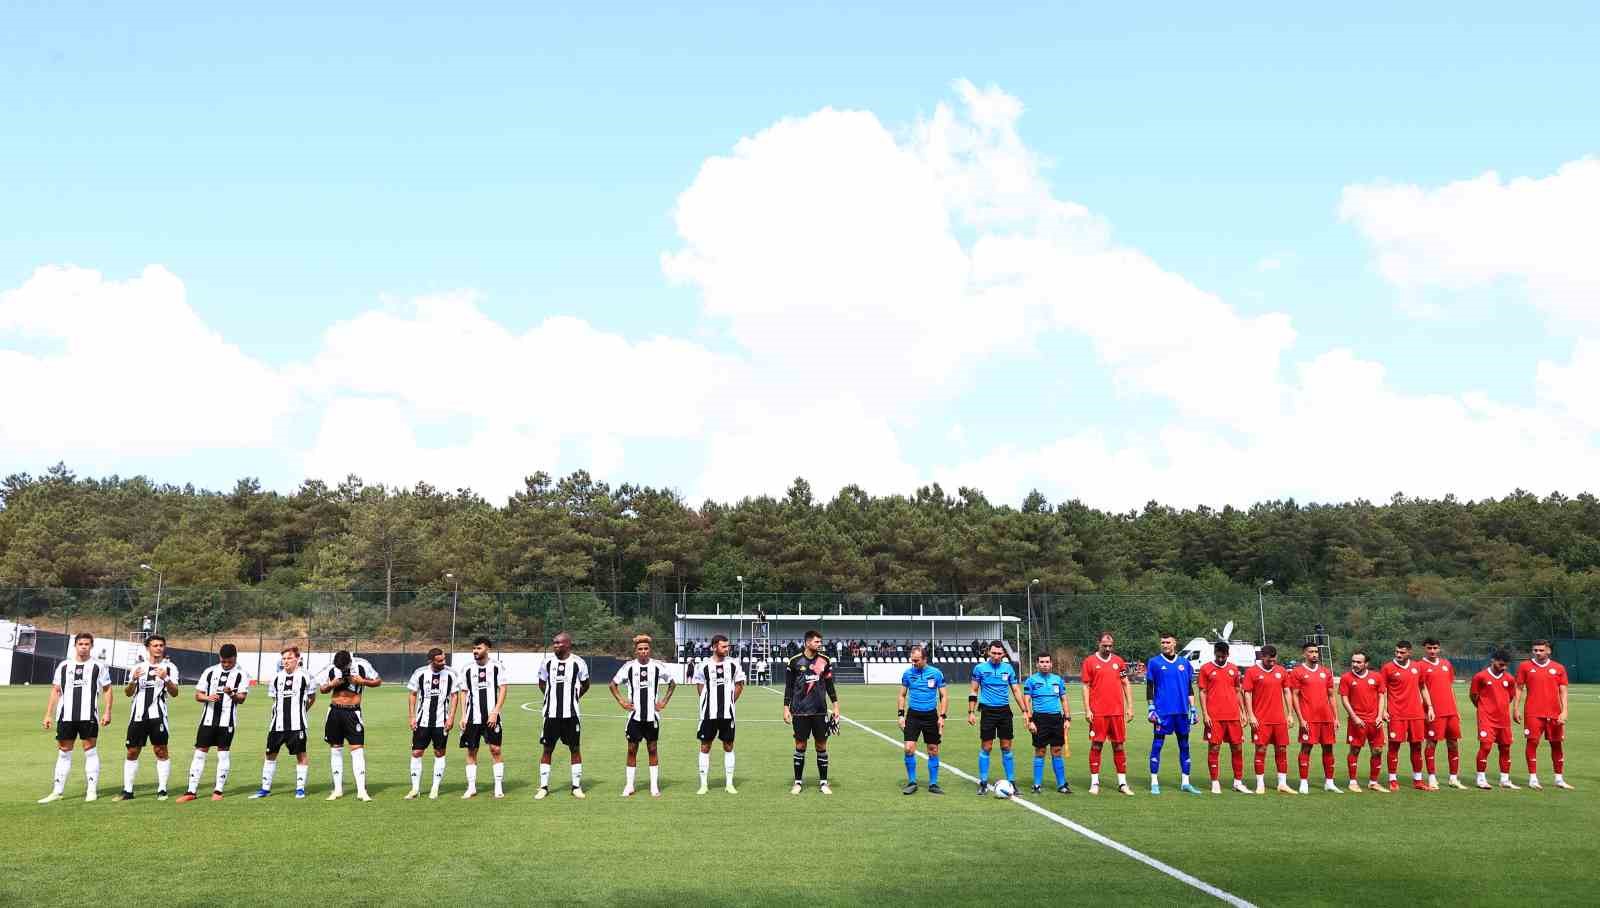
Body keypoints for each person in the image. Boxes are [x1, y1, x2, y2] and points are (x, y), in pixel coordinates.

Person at [39, 632, 114, 803]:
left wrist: (108, 711)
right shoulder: (64, 666)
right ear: (75, 646)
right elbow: (56, 690)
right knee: (64, 753)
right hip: (66, 716)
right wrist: (48, 714)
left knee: (90, 751)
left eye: (87, 644)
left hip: (88, 716)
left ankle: (92, 790)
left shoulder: (98, 666)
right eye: (81, 644)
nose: (84, 647)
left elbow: (107, 689)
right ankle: (57, 791)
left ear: (91, 646)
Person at [177, 644, 250, 803]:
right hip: (207, 720)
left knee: (223, 753)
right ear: (220, 658)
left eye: (229, 662)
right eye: (223, 662)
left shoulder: (241, 674)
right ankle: (191, 791)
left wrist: (231, 693)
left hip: (227, 721)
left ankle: (218, 790)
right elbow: (198, 695)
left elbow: (242, 699)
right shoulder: (210, 671)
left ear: (235, 658)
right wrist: (207, 697)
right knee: (199, 753)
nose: (226, 665)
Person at [610, 634, 676, 798]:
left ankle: (654, 786)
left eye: (646, 649)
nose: (643, 651)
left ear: (650, 650)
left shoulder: (658, 666)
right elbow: (613, 685)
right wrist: (622, 701)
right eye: (640, 649)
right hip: (635, 717)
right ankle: (630, 785)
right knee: (632, 749)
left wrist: (664, 701)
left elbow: (672, 683)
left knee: (652, 749)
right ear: (636, 651)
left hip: (652, 717)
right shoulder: (628, 667)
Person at [116, 633, 179, 801]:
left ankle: (162, 789)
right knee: (132, 751)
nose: (158, 648)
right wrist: (133, 681)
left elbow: (175, 693)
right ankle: (128, 791)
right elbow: (128, 693)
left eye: (161, 645)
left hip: (158, 715)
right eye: (155, 645)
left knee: (160, 750)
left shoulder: (170, 667)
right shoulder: (138, 667)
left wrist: (166, 678)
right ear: (148, 648)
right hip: (138, 715)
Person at [317, 648, 381, 801]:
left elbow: (378, 681)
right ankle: (338, 789)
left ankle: (361, 791)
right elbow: (322, 689)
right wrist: (332, 683)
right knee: (336, 750)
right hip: (334, 712)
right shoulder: (331, 668)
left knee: (357, 750)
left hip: (353, 713)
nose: (342, 670)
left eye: (344, 667)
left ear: (350, 662)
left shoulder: (362, 665)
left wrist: (362, 681)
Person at [253, 645, 316, 799]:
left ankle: (300, 789)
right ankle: (265, 789)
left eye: (289, 658)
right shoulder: (275, 678)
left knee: (301, 755)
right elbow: (275, 700)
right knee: (270, 754)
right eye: (284, 658)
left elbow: (311, 698)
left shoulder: (305, 676)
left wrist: (301, 711)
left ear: (297, 659)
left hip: (297, 724)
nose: (286, 661)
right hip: (277, 724)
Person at [784, 629, 841, 795]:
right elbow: (788, 687)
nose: (819, 644)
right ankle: (797, 782)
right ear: (807, 642)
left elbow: (829, 684)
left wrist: (835, 705)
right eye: (816, 641)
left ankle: (823, 782)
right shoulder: (794, 661)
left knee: (821, 745)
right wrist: (786, 707)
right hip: (800, 711)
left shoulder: (825, 660)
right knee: (800, 745)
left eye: (820, 641)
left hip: (819, 711)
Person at [1145, 633, 1201, 795]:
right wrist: (1151, 708)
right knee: (1157, 745)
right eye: (1162, 642)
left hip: (1182, 711)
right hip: (1163, 712)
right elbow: (1150, 687)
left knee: (1184, 746)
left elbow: (1189, 688)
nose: (1165, 645)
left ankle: (1185, 782)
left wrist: (1193, 708)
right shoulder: (1154, 662)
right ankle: (1154, 782)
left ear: (1175, 643)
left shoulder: (1184, 663)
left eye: (1168, 642)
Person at [967, 640, 1025, 796]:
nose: (996, 656)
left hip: (1004, 712)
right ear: (988, 652)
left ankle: (1011, 782)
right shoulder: (979, 668)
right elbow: (973, 690)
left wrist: (1025, 711)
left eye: (999, 653)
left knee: (1006, 747)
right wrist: (971, 712)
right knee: (987, 747)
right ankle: (983, 783)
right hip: (987, 712)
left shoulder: (1008, 668)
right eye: (994, 653)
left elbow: (1016, 691)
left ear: (1004, 654)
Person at [536, 631, 589, 800]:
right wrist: (549, 697)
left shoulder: (579, 663)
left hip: (571, 715)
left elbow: (586, 684)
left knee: (575, 749)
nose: (555, 645)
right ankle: (543, 787)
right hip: (550, 715)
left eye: (559, 643)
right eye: (554, 643)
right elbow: (542, 683)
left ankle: (576, 787)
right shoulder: (547, 662)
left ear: (568, 644)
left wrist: (573, 698)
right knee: (547, 749)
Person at [1080, 632, 1133, 795]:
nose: (1108, 648)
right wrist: (1088, 709)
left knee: (1119, 745)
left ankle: (1122, 783)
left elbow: (1125, 682)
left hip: (1117, 712)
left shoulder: (1118, 661)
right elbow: (1085, 687)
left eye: (1110, 646)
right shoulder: (1089, 662)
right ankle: (1095, 782)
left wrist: (1130, 707)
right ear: (1098, 643)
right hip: (1098, 712)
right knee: (1097, 744)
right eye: (1105, 645)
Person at [1515, 639, 1572, 789]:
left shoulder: (1558, 668)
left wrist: (1564, 710)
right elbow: (1519, 688)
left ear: (1548, 651)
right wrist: (1515, 708)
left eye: (1541, 650)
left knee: (1557, 744)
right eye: (1535, 650)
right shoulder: (1525, 666)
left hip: (1554, 713)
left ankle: (1559, 779)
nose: (1538, 653)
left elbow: (1563, 690)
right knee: (1532, 742)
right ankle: (1533, 778)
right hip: (1533, 712)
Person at [405, 647, 461, 800]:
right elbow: (413, 694)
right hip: (422, 720)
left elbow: (455, 696)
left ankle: (435, 788)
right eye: (440, 661)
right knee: (417, 752)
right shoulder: (420, 673)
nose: (443, 662)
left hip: (441, 721)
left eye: (444, 659)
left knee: (439, 752)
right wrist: (411, 716)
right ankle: (415, 788)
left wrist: (451, 717)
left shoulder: (451, 674)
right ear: (431, 661)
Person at [694, 634, 746, 795]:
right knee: (705, 746)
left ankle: (729, 784)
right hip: (708, 714)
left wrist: (730, 701)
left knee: (728, 746)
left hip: (727, 714)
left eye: (727, 646)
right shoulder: (703, 666)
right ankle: (703, 784)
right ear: (714, 647)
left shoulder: (733, 664)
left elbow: (740, 684)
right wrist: (706, 701)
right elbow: (700, 685)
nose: (727, 648)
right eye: (723, 646)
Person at [1197, 640, 1250, 795]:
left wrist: (1243, 711)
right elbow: (1202, 692)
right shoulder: (1206, 669)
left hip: (1233, 716)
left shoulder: (1233, 669)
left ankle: (1238, 782)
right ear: (1215, 653)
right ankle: (1214, 782)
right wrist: (1205, 713)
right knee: (1214, 747)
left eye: (1223, 656)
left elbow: (1237, 690)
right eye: (1218, 656)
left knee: (1237, 747)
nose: (1221, 659)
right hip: (1214, 716)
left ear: (1228, 654)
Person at [460, 636, 510, 799]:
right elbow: (464, 692)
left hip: (491, 717)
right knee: (471, 750)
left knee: (495, 749)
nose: (475, 651)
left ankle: (498, 786)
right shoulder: (467, 669)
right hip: (472, 718)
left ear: (487, 648)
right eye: (474, 648)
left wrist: (496, 711)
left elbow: (502, 689)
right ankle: (471, 787)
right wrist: (463, 716)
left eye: (479, 648)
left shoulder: (497, 667)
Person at [1288, 642, 1341, 794]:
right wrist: (1301, 718)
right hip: (1309, 718)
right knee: (1306, 748)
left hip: (1326, 717)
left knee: (1328, 748)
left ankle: (1329, 782)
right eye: (1311, 652)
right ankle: (1303, 782)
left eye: (1316, 652)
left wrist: (1335, 717)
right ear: (1304, 654)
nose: (1314, 654)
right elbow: (1295, 696)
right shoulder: (1297, 672)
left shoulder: (1326, 671)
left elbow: (1331, 696)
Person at [1243, 645, 1294, 795]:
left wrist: (1290, 714)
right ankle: (1260, 784)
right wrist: (1251, 715)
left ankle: (1282, 783)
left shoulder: (1281, 671)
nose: (1272, 663)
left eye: (1274, 660)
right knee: (1261, 749)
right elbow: (1247, 694)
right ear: (1262, 657)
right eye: (1269, 660)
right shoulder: (1252, 672)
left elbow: (1286, 691)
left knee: (1282, 749)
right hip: (1261, 719)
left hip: (1279, 719)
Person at [898, 644, 948, 795]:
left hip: (931, 716)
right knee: (908, 748)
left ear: (925, 659)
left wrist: (942, 716)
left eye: (917, 660)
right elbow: (902, 695)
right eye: (912, 660)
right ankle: (912, 782)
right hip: (913, 715)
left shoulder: (936, 673)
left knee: (933, 750)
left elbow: (944, 696)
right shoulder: (907, 674)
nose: (914, 663)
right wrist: (900, 715)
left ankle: (933, 784)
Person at [1419, 637, 1466, 790]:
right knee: (1432, 742)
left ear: (1439, 648)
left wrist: (1456, 710)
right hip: (1433, 712)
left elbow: (1450, 687)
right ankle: (1432, 778)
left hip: (1450, 711)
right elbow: (1420, 690)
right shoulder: (1420, 666)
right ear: (1424, 649)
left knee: (1453, 743)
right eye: (1429, 648)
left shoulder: (1446, 664)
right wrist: (1426, 709)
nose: (1432, 651)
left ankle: (1453, 778)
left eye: (1435, 648)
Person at [1338, 650, 1388, 793]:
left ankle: (1373, 782)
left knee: (1377, 751)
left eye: (1359, 662)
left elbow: (1381, 696)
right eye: (1353, 661)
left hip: (1374, 721)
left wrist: (1379, 716)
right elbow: (1344, 699)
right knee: (1355, 750)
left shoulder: (1376, 677)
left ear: (1366, 663)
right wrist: (1354, 717)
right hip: (1357, 721)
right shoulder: (1346, 678)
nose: (1355, 664)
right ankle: (1353, 782)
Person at [1380, 640, 1427, 792]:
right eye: (1397, 652)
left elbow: (1423, 687)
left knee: (1417, 747)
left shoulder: (1417, 667)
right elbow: (1382, 691)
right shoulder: (1387, 668)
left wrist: (1430, 707)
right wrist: (1384, 710)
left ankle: (1418, 780)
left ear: (1409, 653)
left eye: (1402, 652)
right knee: (1394, 746)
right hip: (1396, 714)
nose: (1398, 655)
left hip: (1416, 714)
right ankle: (1392, 779)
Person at [1469, 649, 1520, 790]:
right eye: (1501, 664)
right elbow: (1473, 695)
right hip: (1486, 718)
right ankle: (1481, 779)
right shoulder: (1480, 677)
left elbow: (1510, 697)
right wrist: (1483, 708)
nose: (1503, 667)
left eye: (1505, 665)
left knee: (1505, 748)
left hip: (1503, 719)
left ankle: (1505, 779)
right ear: (1493, 661)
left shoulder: (1509, 679)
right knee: (1485, 746)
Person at [1021, 652, 1071, 795]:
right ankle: (1037, 785)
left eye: (1047, 662)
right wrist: (1030, 720)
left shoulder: (1058, 680)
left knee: (1056, 751)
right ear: (1037, 664)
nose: (1044, 664)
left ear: (1051, 664)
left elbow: (1064, 699)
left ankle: (1062, 784)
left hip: (1056, 719)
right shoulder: (1031, 681)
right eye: (1041, 662)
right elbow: (1027, 701)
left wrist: (1067, 718)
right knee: (1040, 751)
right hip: (1039, 719)